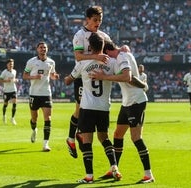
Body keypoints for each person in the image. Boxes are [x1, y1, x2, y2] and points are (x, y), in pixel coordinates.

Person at [66, 5, 129, 159]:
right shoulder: (79, 35)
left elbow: (113, 49)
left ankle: (79, 135)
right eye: (95, 20)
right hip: (83, 75)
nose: (98, 22)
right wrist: (95, 57)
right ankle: (71, 138)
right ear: (87, 20)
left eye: (100, 20)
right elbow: (78, 57)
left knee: (89, 108)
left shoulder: (103, 35)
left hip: (99, 74)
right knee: (80, 108)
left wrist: (122, 49)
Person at [90, 40, 155, 184]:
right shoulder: (124, 53)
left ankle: (148, 174)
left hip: (136, 102)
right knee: (118, 134)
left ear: (107, 51)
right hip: (127, 102)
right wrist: (143, 85)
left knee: (136, 138)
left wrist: (104, 77)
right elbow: (131, 78)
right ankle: (114, 168)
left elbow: (127, 77)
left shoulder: (122, 57)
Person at [64, 33, 122, 184]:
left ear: (90, 46)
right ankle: (114, 167)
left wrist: (68, 77)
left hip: (87, 107)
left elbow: (68, 81)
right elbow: (122, 75)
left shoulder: (84, 63)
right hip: (104, 107)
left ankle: (89, 176)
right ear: (103, 45)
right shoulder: (112, 62)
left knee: (87, 141)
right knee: (104, 138)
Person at [23, 41, 60, 152]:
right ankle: (34, 129)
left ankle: (45, 144)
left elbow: (52, 75)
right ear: (37, 49)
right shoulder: (31, 62)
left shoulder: (51, 62)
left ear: (47, 49)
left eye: (44, 47)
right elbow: (25, 76)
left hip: (46, 93)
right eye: (41, 47)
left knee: (48, 118)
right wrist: (34, 77)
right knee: (34, 118)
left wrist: (55, 76)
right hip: (34, 93)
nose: (43, 49)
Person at [0, 59, 18, 125]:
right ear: (7, 65)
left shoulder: (14, 71)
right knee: (5, 104)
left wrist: (15, 80)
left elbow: (14, 79)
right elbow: (0, 80)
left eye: (12, 64)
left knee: (15, 102)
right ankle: (4, 116)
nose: (11, 65)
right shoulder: (4, 72)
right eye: (10, 64)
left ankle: (12, 118)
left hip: (13, 89)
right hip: (6, 91)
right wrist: (6, 81)